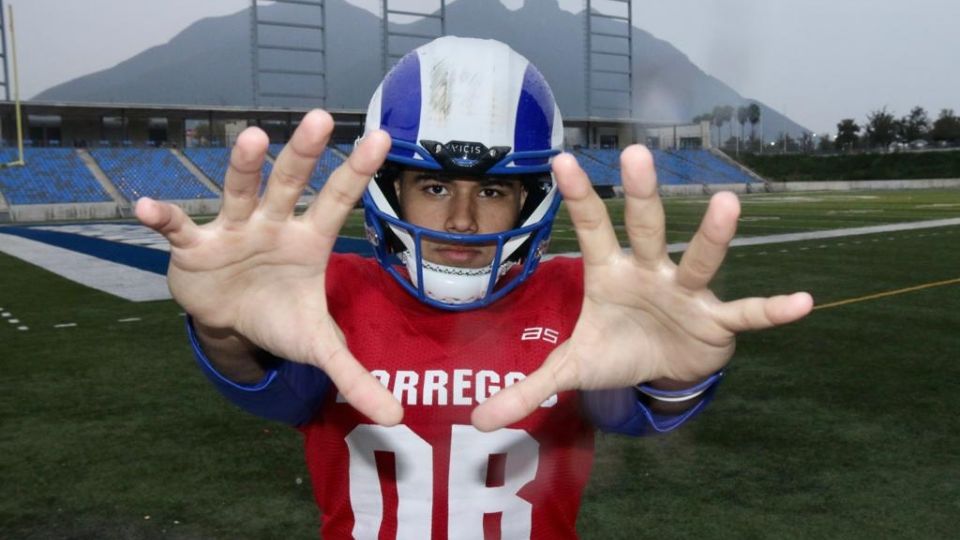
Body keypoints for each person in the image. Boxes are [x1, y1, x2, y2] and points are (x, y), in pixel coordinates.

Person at [136, 37, 812, 539]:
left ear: (532, 198)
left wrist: (677, 379)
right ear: (389, 186)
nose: (461, 220)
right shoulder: (325, 294)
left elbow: (631, 412)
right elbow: (280, 395)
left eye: (492, 189)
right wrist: (225, 329)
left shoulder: (586, 302)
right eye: (434, 187)